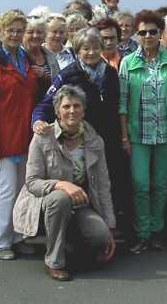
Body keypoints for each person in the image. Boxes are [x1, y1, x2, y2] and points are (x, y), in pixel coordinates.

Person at [12, 85, 116, 282]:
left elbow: (103, 185)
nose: (72, 111)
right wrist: (62, 185)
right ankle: (54, 262)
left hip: (81, 205)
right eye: (66, 106)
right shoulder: (43, 138)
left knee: (99, 237)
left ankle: (68, 242)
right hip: (47, 203)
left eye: (77, 106)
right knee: (60, 198)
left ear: (84, 110)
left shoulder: (95, 141)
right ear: (58, 111)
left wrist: (110, 227)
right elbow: (32, 182)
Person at [31, 30, 128, 233]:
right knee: (87, 182)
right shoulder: (68, 74)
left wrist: (123, 136)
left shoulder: (110, 73)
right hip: (83, 139)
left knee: (108, 183)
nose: (91, 52)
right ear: (77, 51)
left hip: (108, 138)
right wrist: (37, 121)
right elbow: (46, 105)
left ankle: (108, 226)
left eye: (95, 47)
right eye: (85, 48)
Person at [118, 10, 167, 254]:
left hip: (166, 134)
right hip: (138, 134)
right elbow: (122, 104)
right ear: (136, 35)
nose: (147, 36)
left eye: (152, 31)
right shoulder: (127, 63)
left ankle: (157, 232)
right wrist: (124, 136)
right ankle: (142, 234)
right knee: (140, 184)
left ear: (160, 33)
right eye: (142, 32)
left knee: (160, 184)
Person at [0, 11, 40, 260]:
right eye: (9, 30)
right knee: (7, 189)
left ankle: (18, 236)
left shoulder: (23, 58)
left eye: (18, 30)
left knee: (24, 188)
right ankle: (1, 241)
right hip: (3, 138)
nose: (14, 35)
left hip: (26, 136)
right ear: (1, 32)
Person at [22, 15, 61, 95]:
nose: (35, 36)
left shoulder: (51, 56)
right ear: (23, 34)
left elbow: (59, 83)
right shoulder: (16, 56)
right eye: (30, 32)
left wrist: (48, 77)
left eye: (39, 32)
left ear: (44, 35)